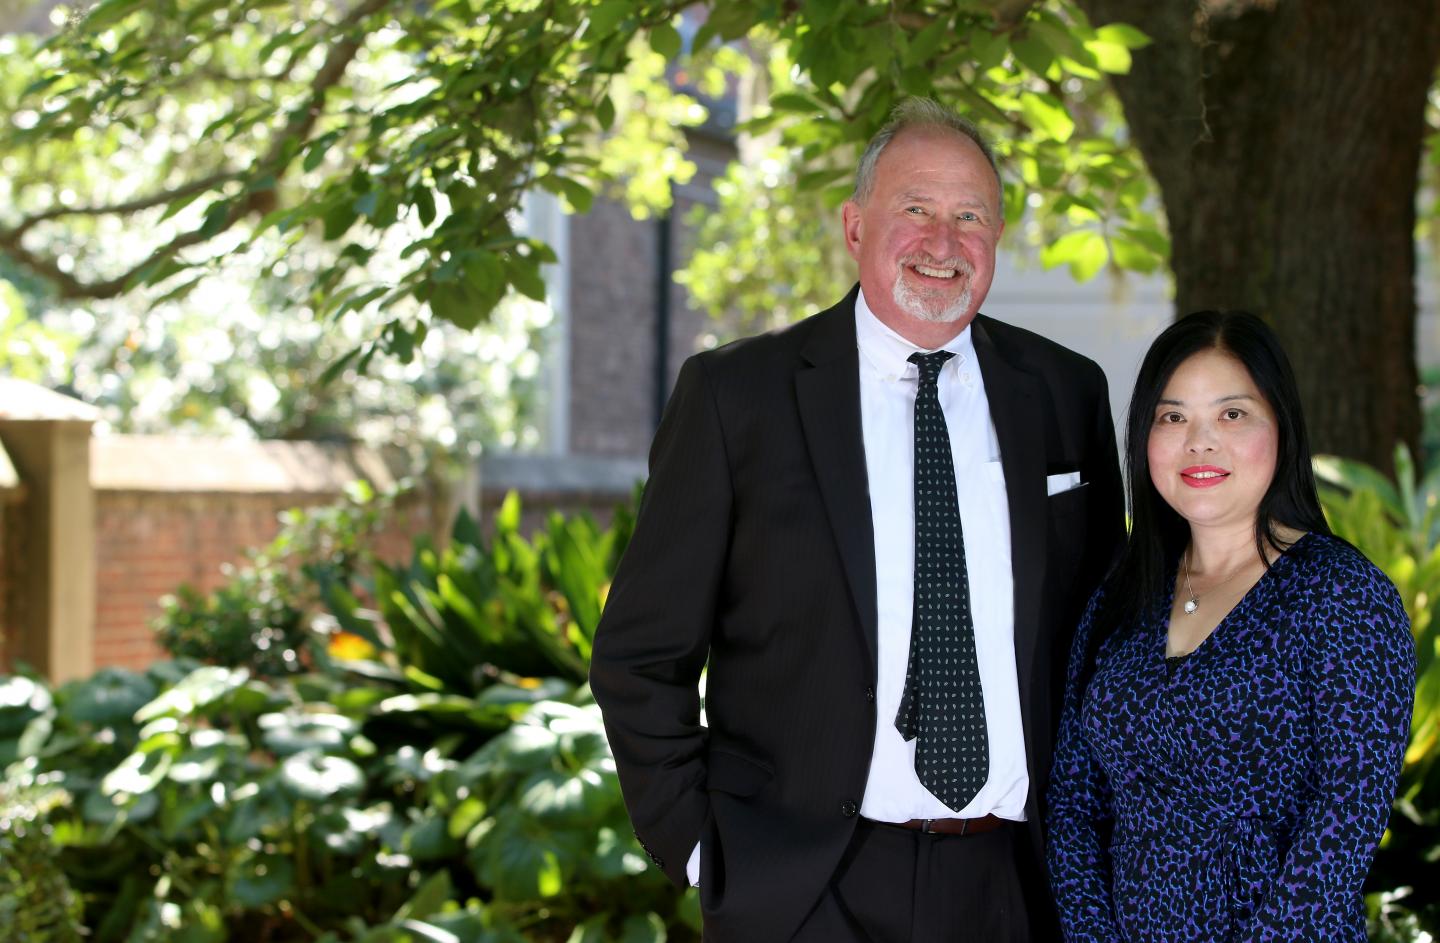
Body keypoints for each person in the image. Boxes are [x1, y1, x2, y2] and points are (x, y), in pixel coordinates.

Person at [588, 96, 1125, 942]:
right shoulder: (738, 398)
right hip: (802, 888)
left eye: (969, 217)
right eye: (915, 209)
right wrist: (703, 851)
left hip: (1016, 887)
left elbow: (1106, 638)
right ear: (854, 225)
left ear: (996, 238)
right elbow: (640, 654)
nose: (942, 243)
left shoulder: (1066, 392)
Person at [1046, 310, 1416, 941]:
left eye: (1232, 414)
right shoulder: (1123, 594)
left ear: (1281, 428)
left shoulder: (1339, 595)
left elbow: (1345, 819)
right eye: (1173, 416)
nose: (1200, 442)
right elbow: (1074, 807)